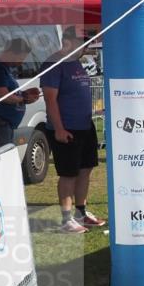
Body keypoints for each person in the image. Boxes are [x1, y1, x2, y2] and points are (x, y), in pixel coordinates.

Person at [42, 27, 104, 234]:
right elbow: (50, 100)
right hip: (66, 128)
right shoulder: (54, 63)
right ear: (67, 41)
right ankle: (66, 219)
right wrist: (59, 128)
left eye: (86, 41)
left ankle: (81, 212)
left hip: (85, 125)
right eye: (82, 41)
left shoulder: (76, 62)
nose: (85, 45)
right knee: (69, 174)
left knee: (85, 170)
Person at [0, 38, 41, 153]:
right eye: (21, 58)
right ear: (11, 53)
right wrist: (23, 98)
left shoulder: (4, 68)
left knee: (1, 159)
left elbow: (8, 93)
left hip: (0, 124)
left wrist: (24, 95)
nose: (21, 62)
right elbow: (3, 96)